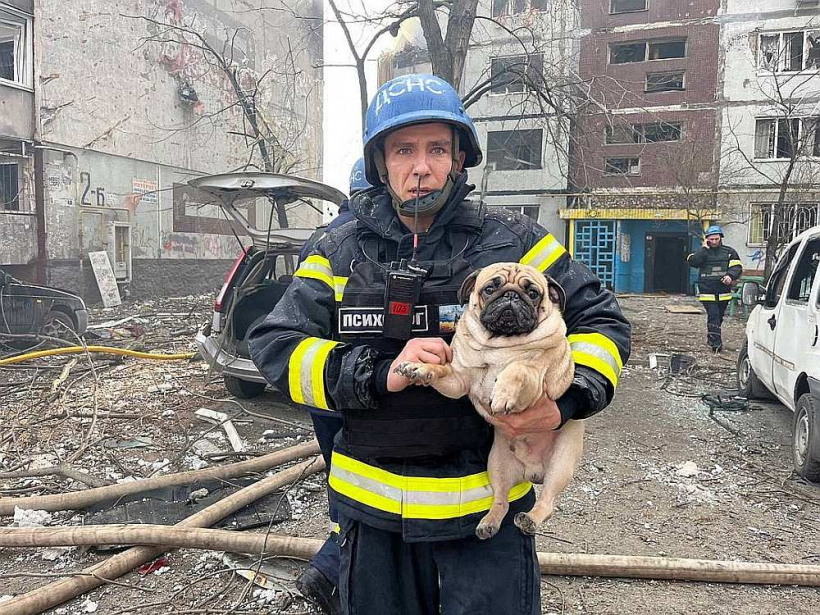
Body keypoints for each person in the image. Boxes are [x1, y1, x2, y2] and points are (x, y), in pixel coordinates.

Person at [250, 73, 631, 615]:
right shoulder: (337, 249)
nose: (421, 167)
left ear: (459, 158)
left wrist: (563, 403)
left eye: (437, 149)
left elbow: (603, 320)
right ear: (382, 163)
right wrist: (375, 373)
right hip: (373, 520)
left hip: (484, 523)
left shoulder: (515, 241)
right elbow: (275, 343)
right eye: (404, 150)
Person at [294, 158, 372, 615]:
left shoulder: (320, 238)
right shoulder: (368, 239)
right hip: (360, 389)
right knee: (365, 489)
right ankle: (333, 572)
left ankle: (335, 566)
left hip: (323, 385)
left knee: (343, 477)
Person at [687, 225, 743, 353]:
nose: (713, 242)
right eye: (711, 239)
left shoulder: (729, 252)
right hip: (707, 291)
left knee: (719, 317)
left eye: (716, 239)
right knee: (714, 315)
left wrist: (730, 276)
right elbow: (693, 262)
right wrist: (704, 249)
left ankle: (711, 337)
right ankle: (716, 344)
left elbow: (737, 267)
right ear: (707, 239)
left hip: (723, 291)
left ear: (721, 238)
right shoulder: (701, 252)